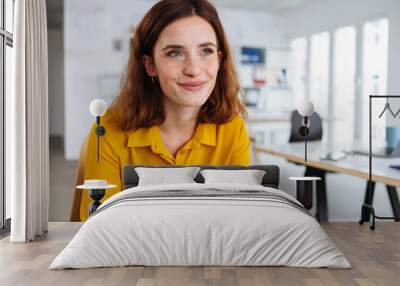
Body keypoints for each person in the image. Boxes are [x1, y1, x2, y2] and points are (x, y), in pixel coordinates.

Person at [80, 0, 250, 221]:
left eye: (205, 51)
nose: (194, 69)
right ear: (150, 65)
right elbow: (100, 230)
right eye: (175, 53)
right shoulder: (108, 132)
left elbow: (239, 220)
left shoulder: (233, 129)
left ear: (218, 60)